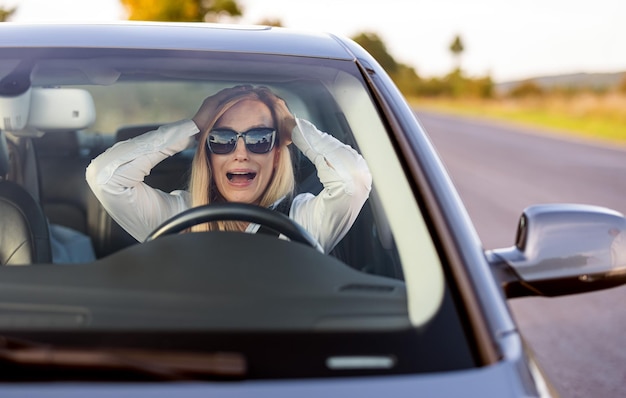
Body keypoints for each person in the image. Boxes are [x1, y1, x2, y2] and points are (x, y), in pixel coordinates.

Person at [86, 85, 372, 254]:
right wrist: (194, 127)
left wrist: (293, 128)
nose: (240, 153)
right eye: (222, 140)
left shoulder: (304, 219)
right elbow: (106, 178)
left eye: (259, 139)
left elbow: (354, 180)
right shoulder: (177, 216)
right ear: (208, 155)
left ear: (276, 154)